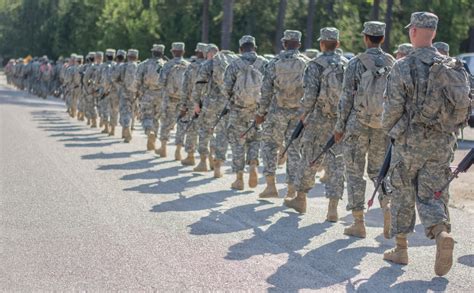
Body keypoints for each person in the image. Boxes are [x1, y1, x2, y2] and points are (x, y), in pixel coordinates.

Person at [382, 12, 470, 276]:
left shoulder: (402, 66)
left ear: (414, 32)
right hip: (442, 143)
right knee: (432, 193)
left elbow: (392, 111)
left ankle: (401, 249)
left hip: (410, 143)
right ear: (433, 32)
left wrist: (395, 132)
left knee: (403, 191)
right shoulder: (452, 66)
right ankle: (441, 234)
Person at [334, 21, 395, 238]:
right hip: (382, 126)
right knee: (379, 171)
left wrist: (339, 127)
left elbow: (346, 99)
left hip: (356, 125)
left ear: (366, 38)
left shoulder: (355, 64)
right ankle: (387, 207)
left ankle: (358, 223)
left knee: (354, 172)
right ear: (383, 39)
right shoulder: (393, 63)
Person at [285, 27, 348, 217]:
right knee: (337, 163)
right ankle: (333, 208)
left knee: (310, 158)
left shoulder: (314, 65)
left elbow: (310, 95)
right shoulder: (347, 64)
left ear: (321, 44)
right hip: (340, 120)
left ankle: (301, 198)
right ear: (337, 44)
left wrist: (303, 114)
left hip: (319, 119)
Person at [257, 30, 309, 199]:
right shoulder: (307, 63)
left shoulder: (274, 63)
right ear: (299, 45)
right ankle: (291, 189)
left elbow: (266, 91)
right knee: (294, 149)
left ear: (284, 43)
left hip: (277, 112)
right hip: (299, 113)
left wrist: (261, 112)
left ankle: (271, 186)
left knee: (270, 146)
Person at [223, 35, 268, 190]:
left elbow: (226, 88)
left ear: (240, 49)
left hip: (238, 110)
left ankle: (239, 179)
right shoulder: (264, 63)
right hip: (258, 111)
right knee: (255, 139)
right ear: (254, 48)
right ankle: (254, 164)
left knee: (237, 143)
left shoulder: (234, 65)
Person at [156, 42, 190, 157]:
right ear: (183, 52)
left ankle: (163, 147)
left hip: (169, 98)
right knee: (182, 124)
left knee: (166, 121)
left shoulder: (167, 65)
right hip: (184, 100)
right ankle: (178, 150)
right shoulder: (188, 65)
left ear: (172, 52)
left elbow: (160, 83)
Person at [179, 42, 208, 165]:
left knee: (192, 130)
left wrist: (183, 105)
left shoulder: (192, 67)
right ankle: (209, 159)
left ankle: (190, 156)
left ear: (197, 52)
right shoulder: (212, 66)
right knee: (207, 130)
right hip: (209, 104)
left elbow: (185, 87)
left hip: (193, 103)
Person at [136, 44, 166, 150]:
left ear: (152, 52)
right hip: (161, 95)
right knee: (156, 118)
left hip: (147, 94)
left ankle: (149, 132)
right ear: (162, 53)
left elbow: (137, 80)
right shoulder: (166, 65)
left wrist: (138, 93)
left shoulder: (144, 64)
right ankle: (154, 137)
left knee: (146, 116)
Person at [120, 49, 139, 143]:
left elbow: (114, 77)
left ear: (128, 57)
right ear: (137, 57)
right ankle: (130, 127)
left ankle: (126, 127)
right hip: (135, 93)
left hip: (125, 92)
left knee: (125, 111)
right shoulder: (139, 66)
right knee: (133, 111)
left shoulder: (123, 66)